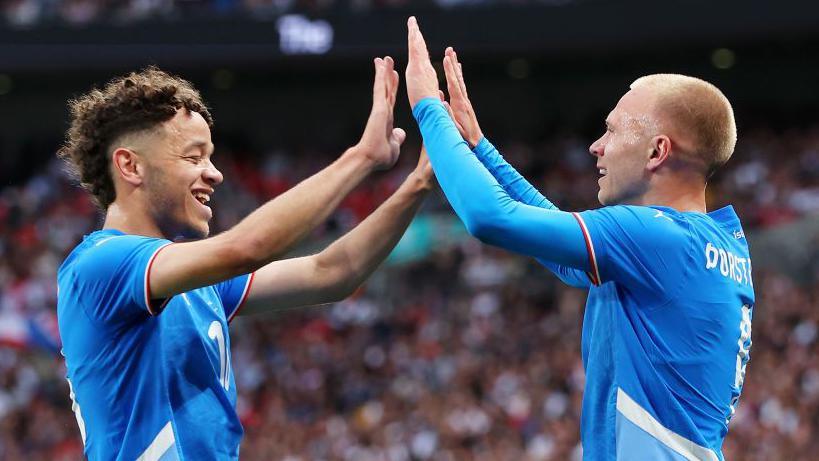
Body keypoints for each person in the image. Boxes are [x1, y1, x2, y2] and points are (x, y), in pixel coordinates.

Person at [404, 16, 754, 461]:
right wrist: (479, 147)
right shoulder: (710, 243)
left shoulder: (659, 238)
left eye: (612, 129)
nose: (596, 145)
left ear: (657, 151)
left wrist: (425, 108)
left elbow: (488, 217)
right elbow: (573, 263)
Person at [56, 60, 433, 460]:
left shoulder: (193, 279)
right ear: (130, 166)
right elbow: (247, 248)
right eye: (193, 157)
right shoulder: (100, 265)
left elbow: (332, 272)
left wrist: (420, 181)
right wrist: (361, 158)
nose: (215, 174)